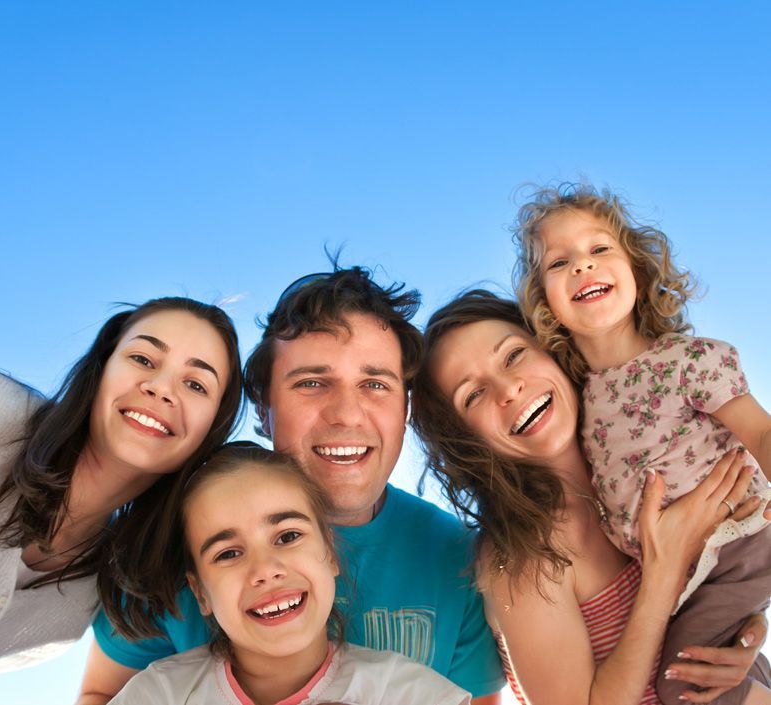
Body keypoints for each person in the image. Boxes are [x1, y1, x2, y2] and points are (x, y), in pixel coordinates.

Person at [80, 267, 505, 704]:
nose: (347, 414)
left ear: (406, 409)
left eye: (375, 384)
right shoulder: (175, 538)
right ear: (263, 407)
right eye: (312, 383)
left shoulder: (457, 559)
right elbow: (102, 694)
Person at [412, 290, 771, 705]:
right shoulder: (525, 558)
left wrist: (745, 628)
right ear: (463, 440)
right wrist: (661, 573)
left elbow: (729, 572)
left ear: (552, 352)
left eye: (513, 356)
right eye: (472, 395)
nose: (508, 389)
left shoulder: (646, 473)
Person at [512, 184, 771, 703]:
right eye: (560, 262)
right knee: (721, 670)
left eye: (600, 249)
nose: (583, 266)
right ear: (544, 300)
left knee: (685, 683)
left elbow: (761, 431)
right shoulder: (578, 401)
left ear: (638, 270)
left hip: (733, 543)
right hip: (686, 573)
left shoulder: (690, 360)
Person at [0, 297, 244, 678]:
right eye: (142, 359)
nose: (160, 388)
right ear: (101, 368)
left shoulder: (83, 603)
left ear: (211, 429)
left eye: (195, 384)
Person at [109, 441, 471, 705]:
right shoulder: (159, 694)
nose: (265, 570)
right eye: (228, 553)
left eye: (287, 536)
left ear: (329, 553)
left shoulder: (410, 694)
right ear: (200, 591)